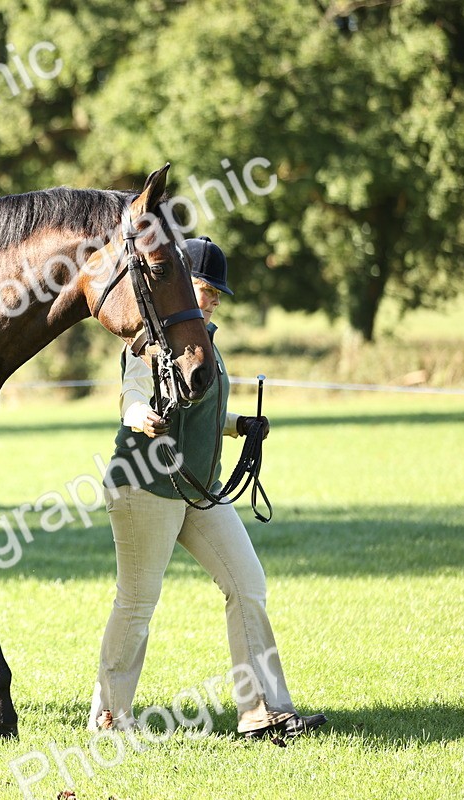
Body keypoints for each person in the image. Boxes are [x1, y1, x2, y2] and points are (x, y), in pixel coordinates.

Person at [89, 236, 326, 740]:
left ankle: (263, 711)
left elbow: (205, 415)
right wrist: (138, 415)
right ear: (177, 284)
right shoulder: (146, 342)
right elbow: (131, 393)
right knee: (137, 603)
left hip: (199, 489)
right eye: (207, 287)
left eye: (218, 291)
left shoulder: (206, 345)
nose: (215, 297)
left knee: (247, 585)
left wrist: (241, 424)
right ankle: (110, 716)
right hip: (144, 488)